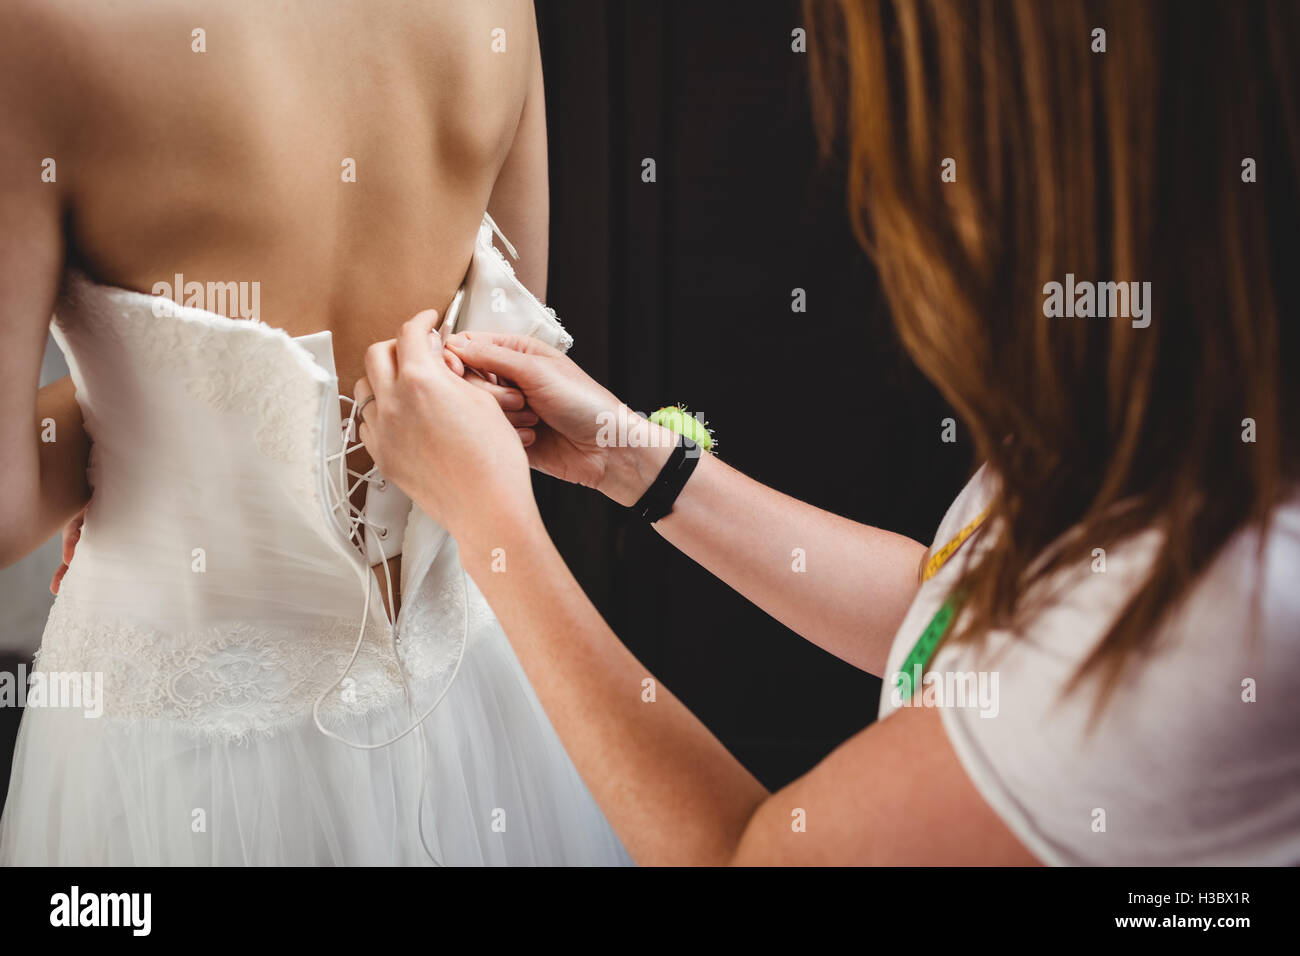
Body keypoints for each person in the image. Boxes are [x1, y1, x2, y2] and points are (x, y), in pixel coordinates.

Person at [349, 0, 1300, 865]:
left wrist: (496, 534)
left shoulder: (1220, 613)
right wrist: (634, 463)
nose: (889, 194)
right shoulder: (1184, 444)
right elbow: (954, 631)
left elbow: (747, 856)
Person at [0, 0, 628, 865]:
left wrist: (142, 407)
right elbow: (499, 384)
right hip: (478, 714)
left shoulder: (37, 27)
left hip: (177, 757)